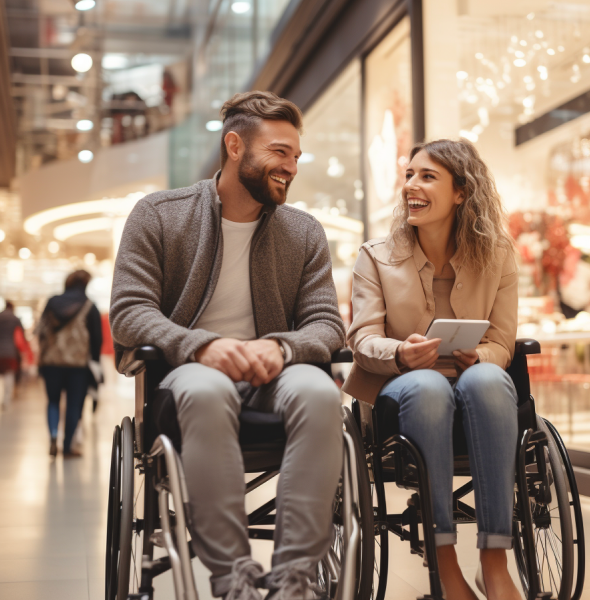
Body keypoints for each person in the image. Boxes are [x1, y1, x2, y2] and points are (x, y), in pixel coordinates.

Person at [110, 91, 345, 600]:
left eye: (297, 157)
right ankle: (232, 577)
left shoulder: (303, 232)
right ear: (235, 146)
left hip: (275, 372)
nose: (291, 167)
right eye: (280, 152)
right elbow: (129, 312)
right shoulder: (159, 215)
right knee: (207, 391)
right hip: (189, 372)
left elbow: (327, 324)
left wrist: (281, 349)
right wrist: (200, 346)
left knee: (323, 394)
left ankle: (292, 580)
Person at [344, 139, 521, 600]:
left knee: (487, 377)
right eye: (409, 175)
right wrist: (402, 354)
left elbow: (502, 343)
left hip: (476, 388)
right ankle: (444, 564)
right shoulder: (375, 256)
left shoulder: (498, 254)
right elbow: (362, 340)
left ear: (461, 192)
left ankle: (494, 562)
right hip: (401, 391)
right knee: (426, 385)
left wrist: (477, 357)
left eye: (427, 176)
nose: (411, 186)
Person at [37, 270, 103, 458]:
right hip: (78, 364)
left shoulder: (51, 302)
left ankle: (53, 436)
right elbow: (97, 339)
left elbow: (41, 330)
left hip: (51, 361)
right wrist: (95, 363)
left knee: (52, 401)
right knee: (74, 405)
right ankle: (67, 447)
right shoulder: (90, 306)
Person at [0, 301, 29, 408]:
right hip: (10, 351)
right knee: (8, 375)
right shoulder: (15, 318)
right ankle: (6, 401)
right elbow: (22, 334)